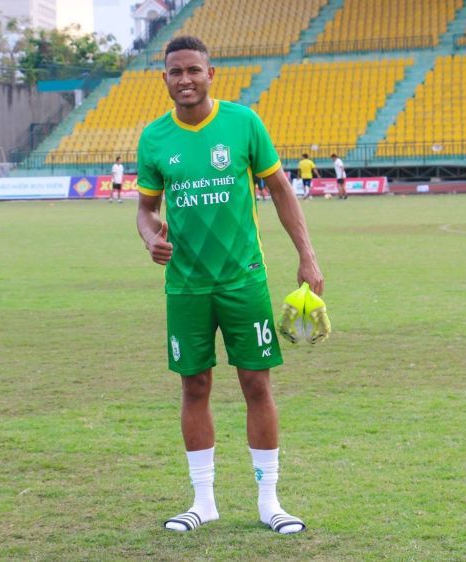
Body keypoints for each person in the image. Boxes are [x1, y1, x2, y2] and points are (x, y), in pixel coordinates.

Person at [136, 35, 323, 535]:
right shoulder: (154, 138)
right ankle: (204, 502)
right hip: (186, 287)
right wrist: (150, 237)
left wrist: (307, 257)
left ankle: (269, 501)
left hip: (244, 281)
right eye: (176, 72)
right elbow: (146, 209)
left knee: (256, 384)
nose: (185, 80)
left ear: (210, 73)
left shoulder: (243, 123)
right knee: (194, 385)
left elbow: (281, 190)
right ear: (165, 79)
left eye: (194, 70)